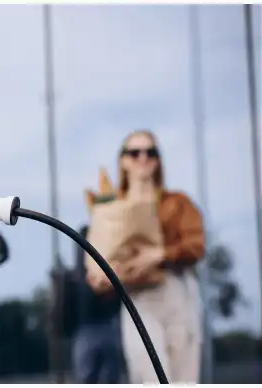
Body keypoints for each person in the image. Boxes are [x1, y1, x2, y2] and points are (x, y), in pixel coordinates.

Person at [93, 129, 205, 384]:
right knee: (150, 376)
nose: (143, 158)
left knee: (183, 378)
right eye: (134, 152)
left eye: (150, 152)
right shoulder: (110, 210)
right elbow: (101, 263)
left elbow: (196, 246)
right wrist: (103, 279)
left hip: (176, 292)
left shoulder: (177, 203)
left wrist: (160, 254)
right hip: (137, 299)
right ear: (123, 160)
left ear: (158, 160)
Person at [70, 225, 126, 384]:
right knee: (89, 376)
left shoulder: (108, 272)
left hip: (105, 324)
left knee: (108, 376)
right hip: (87, 326)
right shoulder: (77, 276)